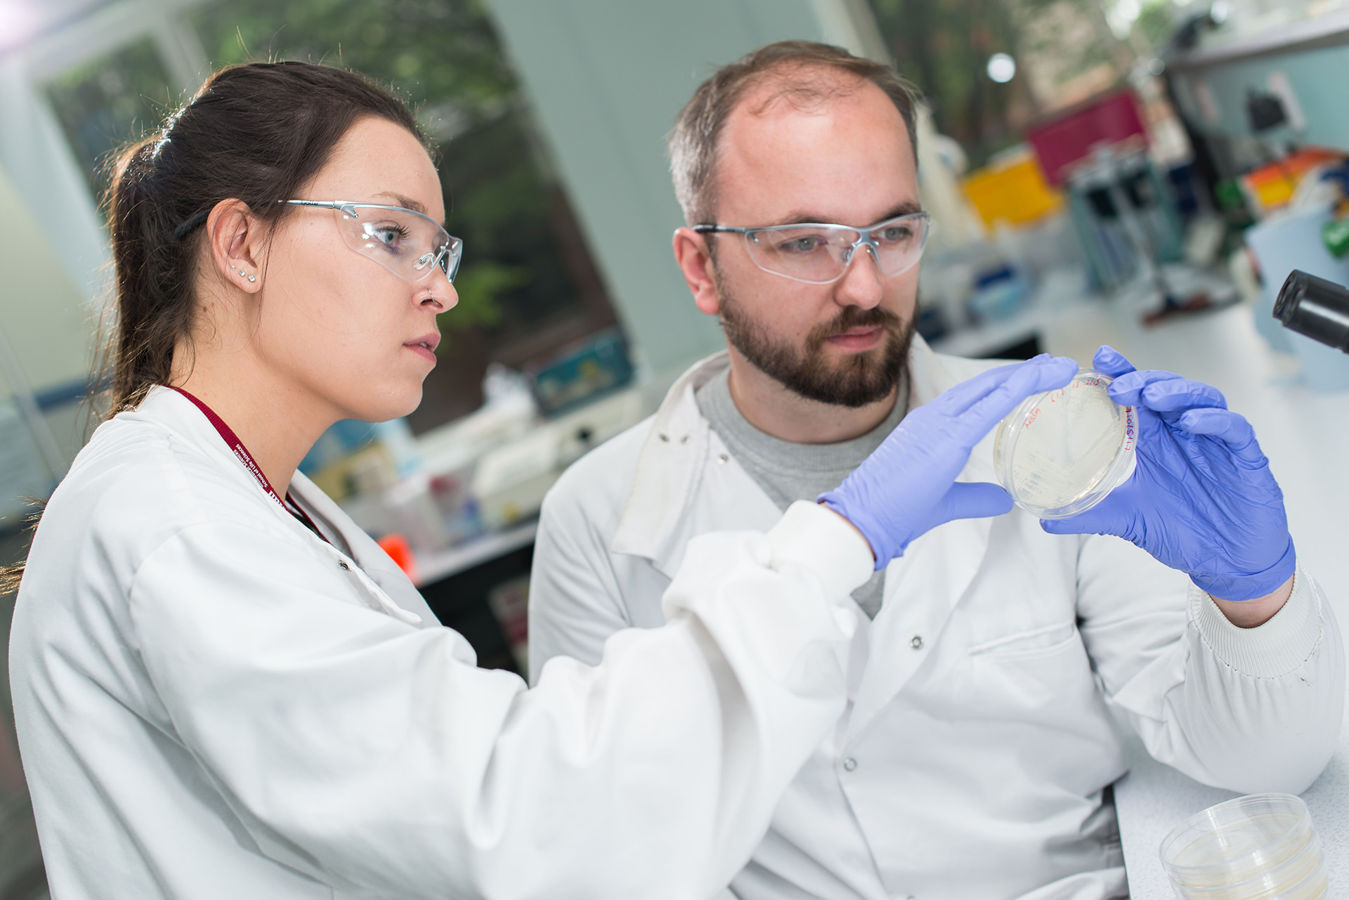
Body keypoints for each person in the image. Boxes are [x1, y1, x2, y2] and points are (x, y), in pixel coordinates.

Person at [5, 60, 1086, 899]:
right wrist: (836, 539)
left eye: (440, 251)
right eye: (391, 236)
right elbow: (521, 813)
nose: (438, 292)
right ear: (241, 242)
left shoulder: (251, 498)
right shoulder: (168, 520)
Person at [527, 40, 1346, 899]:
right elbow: (594, 843)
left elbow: (1266, 767)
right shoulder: (599, 518)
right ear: (701, 267)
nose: (863, 287)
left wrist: (1255, 597)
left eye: (890, 231)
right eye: (803, 242)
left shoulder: (1052, 434)